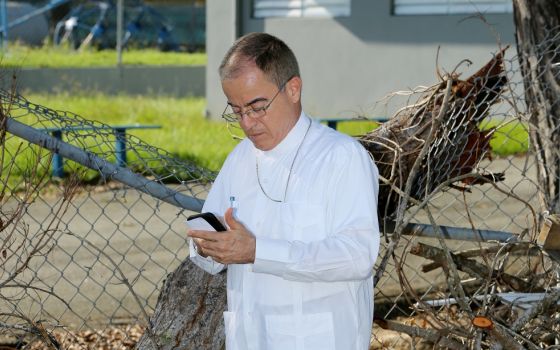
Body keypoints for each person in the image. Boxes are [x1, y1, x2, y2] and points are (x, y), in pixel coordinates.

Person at [187, 32, 380, 350]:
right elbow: (207, 233)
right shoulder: (240, 159)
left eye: (257, 107)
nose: (247, 123)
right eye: (236, 111)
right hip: (249, 338)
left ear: (293, 89)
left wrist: (257, 251)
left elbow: (357, 256)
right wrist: (208, 246)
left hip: (319, 339)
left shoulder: (341, 157)